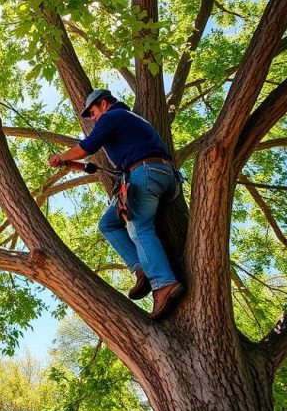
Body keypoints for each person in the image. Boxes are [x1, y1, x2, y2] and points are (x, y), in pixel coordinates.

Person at [47, 89, 184, 319]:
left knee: (139, 228)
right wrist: (76, 166)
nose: (93, 119)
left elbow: (85, 148)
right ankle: (141, 268)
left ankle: (164, 283)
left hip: (145, 172)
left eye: (92, 112)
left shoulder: (111, 116)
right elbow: (101, 164)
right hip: (163, 175)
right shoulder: (129, 119)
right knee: (108, 224)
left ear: (102, 104)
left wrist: (61, 157)